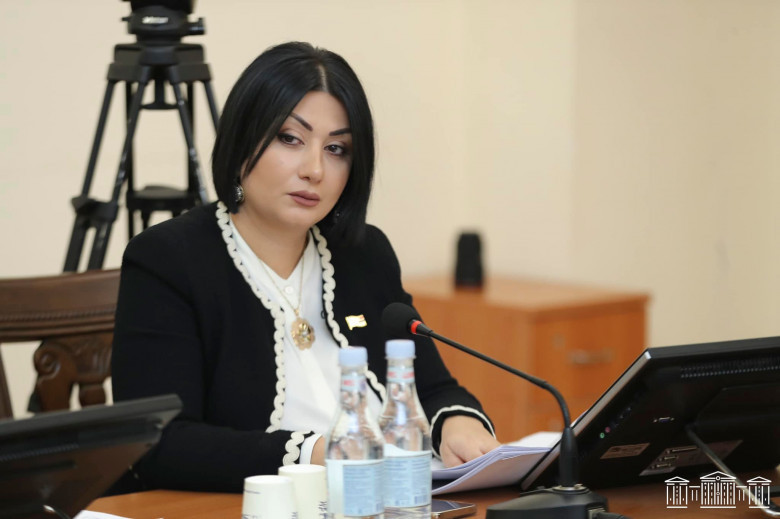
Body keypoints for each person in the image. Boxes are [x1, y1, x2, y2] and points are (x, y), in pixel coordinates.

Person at [111, 41, 500, 493]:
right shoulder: (169, 260)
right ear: (242, 138)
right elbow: (160, 445)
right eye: (290, 138)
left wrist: (456, 422)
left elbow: (431, 389)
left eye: (337, 148)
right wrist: (317, 452)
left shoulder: (365, 254)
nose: (315, 169)